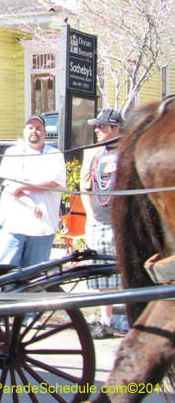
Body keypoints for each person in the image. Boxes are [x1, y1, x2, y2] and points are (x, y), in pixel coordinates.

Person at [0, 114, 66, 268]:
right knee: (4, 273)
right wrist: (29, 201)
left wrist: (21, 186)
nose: (34, 131)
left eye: (39, 128)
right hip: (13, 224)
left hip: (43, 226)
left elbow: (53, 182)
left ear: (45, 133)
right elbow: (8, 184)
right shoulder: (12, 153)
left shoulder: (55, 155)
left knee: (35, 276)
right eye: (31, 128)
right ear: (24, 131)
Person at [80, 108, 123, 339]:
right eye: (96, 126)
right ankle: (105, 319)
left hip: (121, 223)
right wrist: (89, 215)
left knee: (123, 273)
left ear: (116, 128)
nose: (97, 130)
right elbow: (84, 186)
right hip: (99, 220)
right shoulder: (94, 154)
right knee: (104, 275)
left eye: (102, 126)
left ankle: (117, 319)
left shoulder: (129, 152)